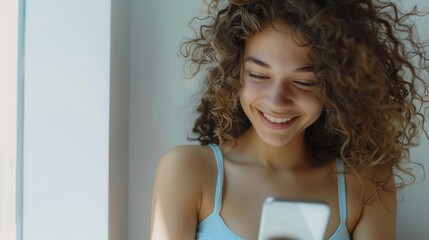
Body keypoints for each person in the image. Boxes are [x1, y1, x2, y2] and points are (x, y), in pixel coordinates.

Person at [150, 0, 428, 239]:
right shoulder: (188, 171)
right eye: (259, 75)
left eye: (304, 82)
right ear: (235, 74)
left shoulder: (367, 181)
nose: (276, 100)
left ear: (338, 86)